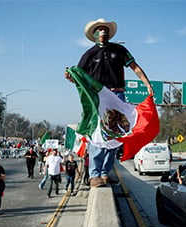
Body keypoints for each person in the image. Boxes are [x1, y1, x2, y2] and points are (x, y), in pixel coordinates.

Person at [64, 18, 154, 187]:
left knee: (117, 134)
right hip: (100, 99)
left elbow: (135, 67)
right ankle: (95, 175)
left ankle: (106, 173)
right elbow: (79, 78)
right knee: (98, 134)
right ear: (95, 34)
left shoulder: (119, 50)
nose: (103, 32)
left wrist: (147, 84)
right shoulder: (89, 54)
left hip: (118, 96)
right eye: (100, 29)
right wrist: (70, 78)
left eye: (105, 29)